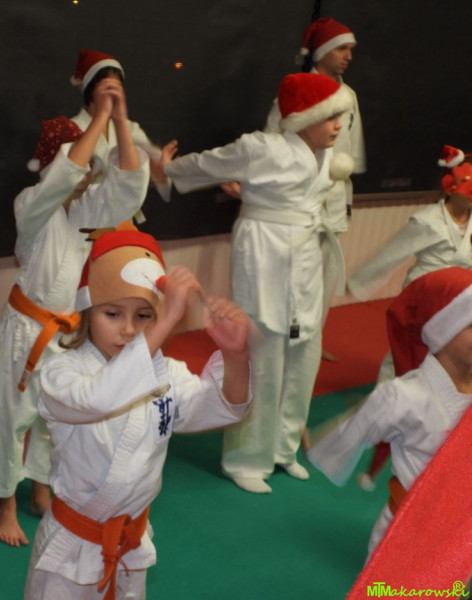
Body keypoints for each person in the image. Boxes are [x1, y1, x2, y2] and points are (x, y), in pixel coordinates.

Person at [23, 225, 251, 599]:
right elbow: (99, 399)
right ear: (87, 312)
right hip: (69, 549)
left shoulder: (165, 375)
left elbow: (224, 408)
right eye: (113, 313)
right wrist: (165, 320)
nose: (129, 329)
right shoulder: (61, 374)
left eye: (144, 316)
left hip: (130, 546)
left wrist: (236, 355)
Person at [162, 72, 353, 493]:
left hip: (307, 255)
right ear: (304, 117)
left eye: (340, 117)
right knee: (261, 348)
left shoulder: (326, 157)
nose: (339, 125)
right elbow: (207, 163)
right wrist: (169, 168)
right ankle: (246, 458)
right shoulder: (261, 148)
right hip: (264, 252)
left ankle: (284, 448)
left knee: (305, 349)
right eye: (331, 117)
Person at [0, 77, 150, 547]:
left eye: (92, 168)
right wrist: (98, 118)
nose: (87, 176)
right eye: (79, 165)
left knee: (56, 414)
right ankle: (4, 500)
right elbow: (61, 178)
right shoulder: (32, 204)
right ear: (53, 164)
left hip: (68, 329)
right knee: (11, 415)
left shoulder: (88, 212)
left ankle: (41, 486)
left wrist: (119, 120)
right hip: (26, 327)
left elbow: (130, 190)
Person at [307, 267, 472, 557]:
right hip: (405, 533)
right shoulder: (404, 396)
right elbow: (354, 432)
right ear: (441, 329)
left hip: (459, 536)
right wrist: (330, 443)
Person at [347, 144, 472, 489]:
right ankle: (378, 420)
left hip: (460, 302)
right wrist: (360, 281)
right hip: (424, 299)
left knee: (448, 365)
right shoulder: (427, 221)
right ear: (450, 190)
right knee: (401, 358)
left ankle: (436, 426)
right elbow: (392, 253)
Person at [265, 18, 366, 362]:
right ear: (322, 52)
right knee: (292, 272)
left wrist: (346, 186)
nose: (348, 56)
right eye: (341, 49)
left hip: (335, 197)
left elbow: (350, 148)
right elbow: (271, 141)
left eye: (351, 49)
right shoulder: (297, 90)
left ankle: (310, 341)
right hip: (299, 197)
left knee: (325, 273)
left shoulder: (349, 96)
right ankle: (278, 341)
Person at [70, 49, 175, 210]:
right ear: (91, 88)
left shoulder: (129, 128)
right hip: (83, 213)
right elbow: (63, 181)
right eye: (107, 87)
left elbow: (148, 173)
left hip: (121, 214)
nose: (114, 93)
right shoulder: (70, 128)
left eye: (118, 87)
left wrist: (159, 170)